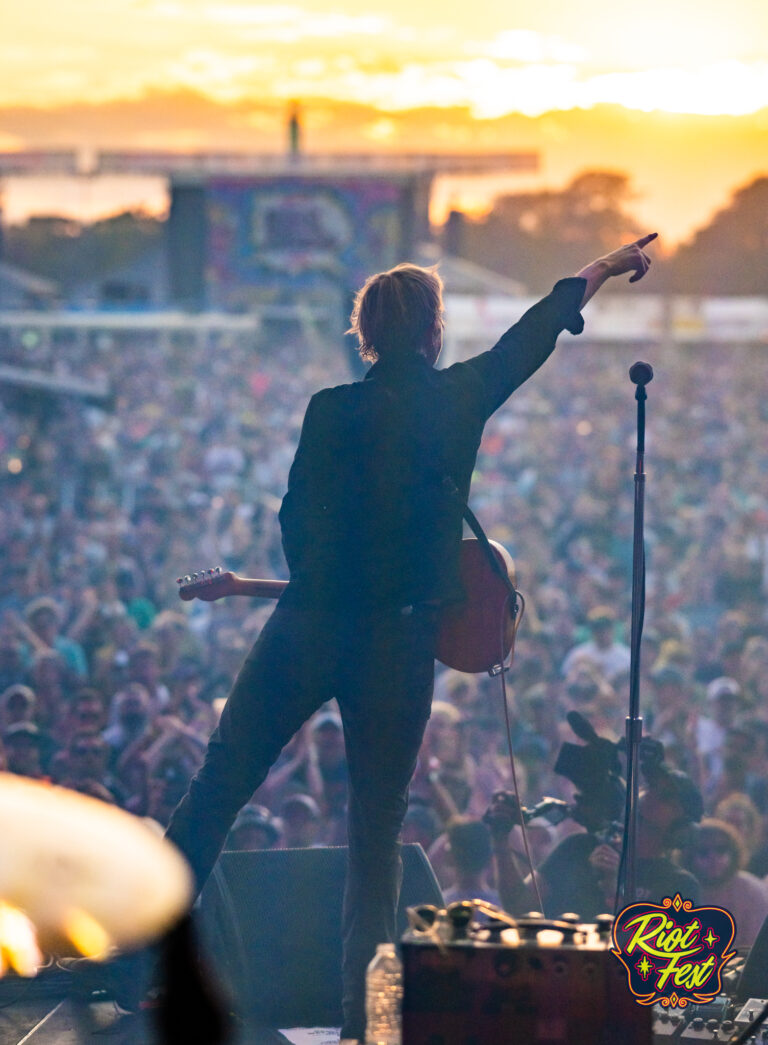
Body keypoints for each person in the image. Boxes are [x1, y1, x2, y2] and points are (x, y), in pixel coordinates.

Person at [165, 233, 657, 1043]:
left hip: (308, 623)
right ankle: (366, 1022)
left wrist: (325, 586)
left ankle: (139, 955)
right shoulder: (457, 397)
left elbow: (294, 516)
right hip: (396, 646)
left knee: (219, 784)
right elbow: (530, 337)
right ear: (432, 332)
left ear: (365, 333)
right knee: (375, 834)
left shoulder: (329, 407)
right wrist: (598, 269)